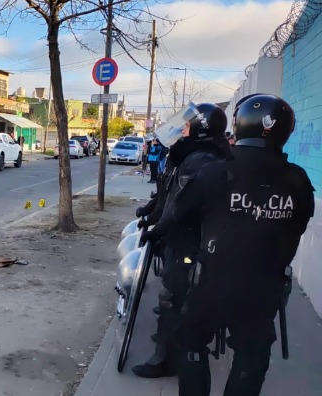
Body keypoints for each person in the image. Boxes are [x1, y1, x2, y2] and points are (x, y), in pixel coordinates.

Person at [163, 94, 315, 396]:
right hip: (265, 285)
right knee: (252, 353)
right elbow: (297, 227)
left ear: (240, 124)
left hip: (214, 281)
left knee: (189, 342)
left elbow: (180, 214)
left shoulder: (215, 173)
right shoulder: (298, 180)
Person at [133, 103, 232, 379]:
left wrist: (158, 230)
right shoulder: (195, 154)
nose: (182, 130)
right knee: (172, 296)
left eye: (187, 126)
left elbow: (181, 206)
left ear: (201, 129)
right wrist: (153, 213)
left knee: (173, 298)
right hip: (182, 238)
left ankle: (165, 359)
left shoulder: (201, 159)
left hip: (188, 241)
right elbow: (168, 194)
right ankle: (169, 341)